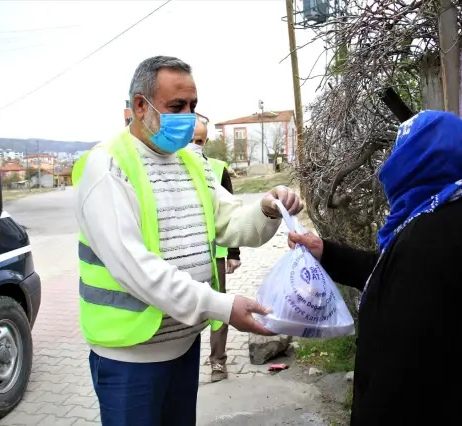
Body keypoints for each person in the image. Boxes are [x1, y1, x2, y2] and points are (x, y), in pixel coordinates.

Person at [73, 55, 303, 426]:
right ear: (139, 106)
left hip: (183, 348)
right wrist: (224, 307)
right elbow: (137, 269)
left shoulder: (192, 162)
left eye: (193, 106)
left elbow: (230, 223)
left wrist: (267, 209)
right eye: (176, 106)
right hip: (130, 360)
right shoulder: (107, 167)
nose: (188, 117)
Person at [289, 111, 462, 426]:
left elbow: (399, 375)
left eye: (398, 154)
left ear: (413, 164)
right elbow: (392, 275)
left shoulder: (434, 238)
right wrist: (326, 253)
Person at [187, 116, 240, 382]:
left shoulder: (218, 169)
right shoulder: (168, 171)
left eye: (198, 141)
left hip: (214, 253)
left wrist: (233, 253)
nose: (194, 146)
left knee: (218, 307)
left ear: (205, 141)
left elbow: (231, 212)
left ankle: (218, 362)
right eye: (189, 140)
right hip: (180, 255)